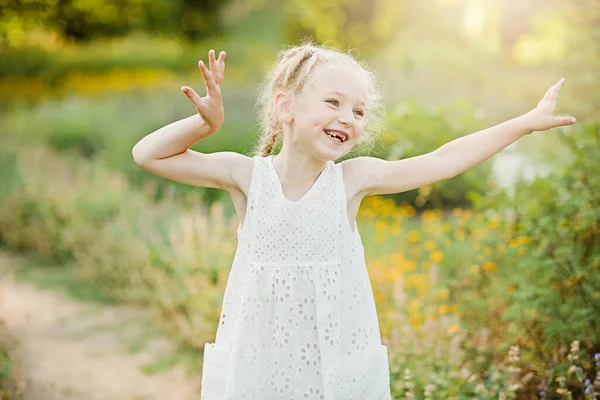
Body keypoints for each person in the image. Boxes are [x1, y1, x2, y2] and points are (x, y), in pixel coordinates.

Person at [131, 39, 576, 399]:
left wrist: (523, 124)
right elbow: (147, 154)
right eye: (333, 102)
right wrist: (202, 127)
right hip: (260, 362)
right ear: (285, 107)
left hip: (333, 365)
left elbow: (442, 159)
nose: (347, 118)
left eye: (358, 110)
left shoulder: (351, 181)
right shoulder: (246, 176)